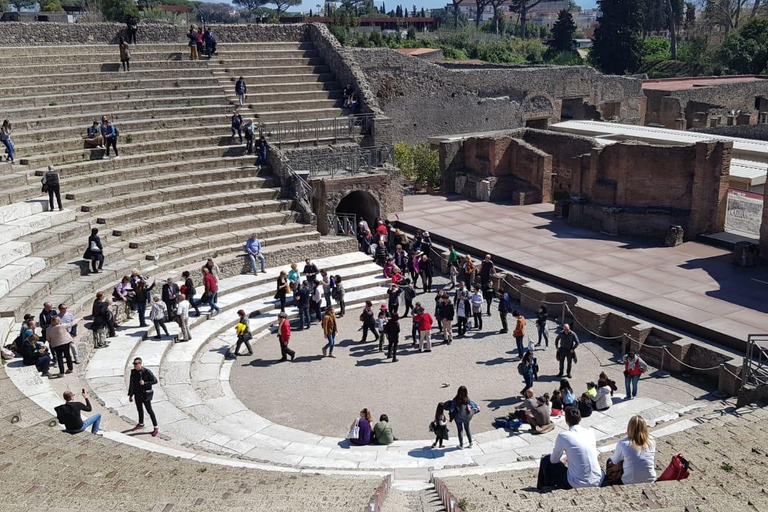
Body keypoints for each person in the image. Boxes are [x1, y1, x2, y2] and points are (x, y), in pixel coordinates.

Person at [538, 407, 603, 490]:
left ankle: (543, 487)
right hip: (598, 479)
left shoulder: (563, 436)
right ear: (580, 418)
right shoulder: (590, 431)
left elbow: (553, 460)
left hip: (576, 483)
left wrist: (562, 460)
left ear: (566, 420)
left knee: (546, 459)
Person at [605, 416, 657, 485]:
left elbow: (614, 461)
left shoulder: (623, 444)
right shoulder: (651, 441)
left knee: (610, 460)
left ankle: (609, 480)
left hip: (629, 481)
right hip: (650, 479)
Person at [128, 357, 159, 437]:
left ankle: (156, 427)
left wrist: (145, 383)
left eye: (136, 364)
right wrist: (131, 395)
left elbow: (155, 381)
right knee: (139, 410)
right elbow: (131, 384)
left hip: (145, 395)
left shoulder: (146, 371)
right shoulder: (133, 372)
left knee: (149, 411)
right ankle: (141, 424)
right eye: (133, 364)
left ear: (140, 364)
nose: (134, 365)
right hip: (137, 394)